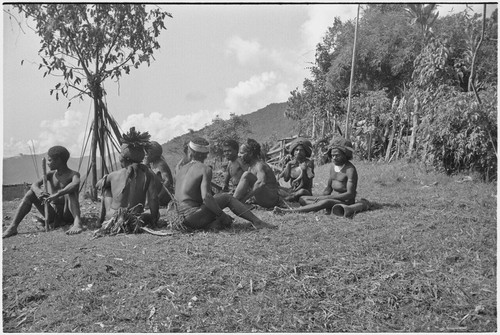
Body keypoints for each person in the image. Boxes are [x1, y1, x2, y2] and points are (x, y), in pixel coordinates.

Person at [175, 136, 276, 230]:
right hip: (193, 217)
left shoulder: (181, 170)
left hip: (179, 219)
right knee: (226, 198)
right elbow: (206, 198)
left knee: (218, 200)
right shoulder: (204, 169)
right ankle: (257, 222)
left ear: (190, 152)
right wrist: (222, 215)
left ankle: (212, 224)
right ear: (206, 154)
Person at [3, 146, 83, 238]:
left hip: (68, 214)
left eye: (50, 160)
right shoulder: (50, 174)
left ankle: (77, 223)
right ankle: (13, 227)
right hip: (53, 214)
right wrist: (39, 192)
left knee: (71, 192)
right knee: (30, 193)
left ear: (59, 160)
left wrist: (57, 194)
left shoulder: (73, 174)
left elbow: (75, 184)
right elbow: (34, 184)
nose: (48, 163)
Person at [274, 137, 358, 214]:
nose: (334, 158)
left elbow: (350, 194)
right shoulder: (333, 167)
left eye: (337, 155)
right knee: (302, 199)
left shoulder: (350, 170)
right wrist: (320, 197)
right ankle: (319, 206)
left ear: (345, 155)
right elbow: (328, 189)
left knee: (325, 202)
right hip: (331, 198)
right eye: (332, 156)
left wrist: (326, 198)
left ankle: (288, 211)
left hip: (345, 201)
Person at [97, 128, 160, 228]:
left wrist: (104, 179)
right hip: (135, 219)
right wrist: (154, 218)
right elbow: (153, 198)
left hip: (114, 218)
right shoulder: (147, 174)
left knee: (107, 188)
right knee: (147, 215)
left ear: (123, 159)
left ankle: (102, 220)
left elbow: (98, 185)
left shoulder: (114, 175)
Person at [233, 138, 281, 208]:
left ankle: (234, 202)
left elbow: (261, 183)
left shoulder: (259, 165)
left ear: (251, 153)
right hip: (265, 198)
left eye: (242, 153)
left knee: (246, 175)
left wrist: (245, 199)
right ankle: (234, 201)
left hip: (270, 199)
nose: (239, 155)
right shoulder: (251, 167)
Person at [278, 137, 315, 202]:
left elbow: (307, 183)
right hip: (292, 190)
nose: (298, 152)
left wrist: (304, 169)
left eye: (301, 150)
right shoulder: (291, 163)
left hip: (305, 192)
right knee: (278, 189)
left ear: (305, 152)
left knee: (301, 191)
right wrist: (289, 165)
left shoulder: (308, 163)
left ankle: (285, 200)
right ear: (293, 151)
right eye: (296, 150)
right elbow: (286, 179)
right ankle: (289, 197)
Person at [144, 141, 174, 206]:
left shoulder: (160, 164)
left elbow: (167, 181)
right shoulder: (153, 163)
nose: (145, 156)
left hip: (165, 197)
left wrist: (158, 197)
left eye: (147, 154)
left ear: (152, 155)